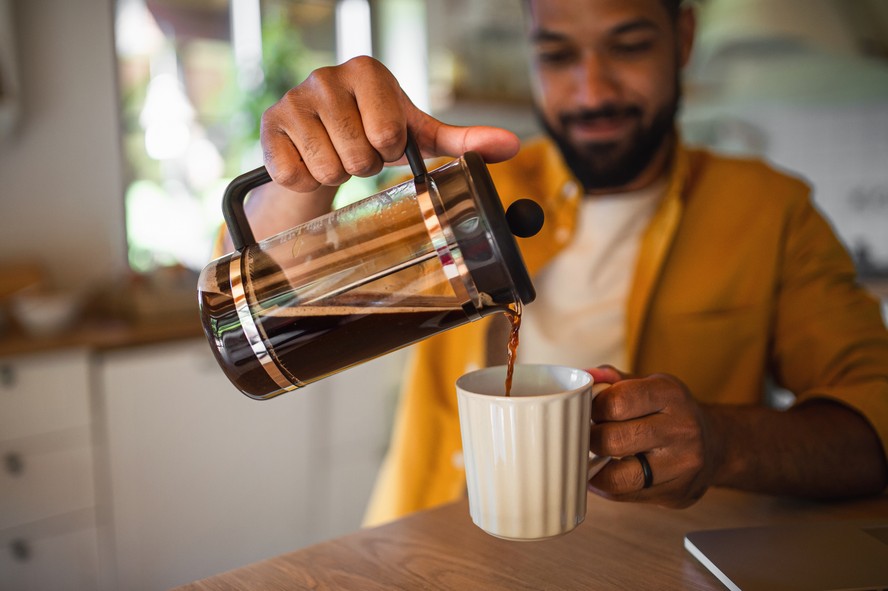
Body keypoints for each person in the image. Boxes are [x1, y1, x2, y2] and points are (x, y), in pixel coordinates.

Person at [244, 0, 888, 525]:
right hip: (419, 552)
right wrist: (302, 177)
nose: (593, 89)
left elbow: (875, 422)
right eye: (556, 55)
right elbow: (277, 305)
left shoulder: (771, 212)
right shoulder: (466, 193)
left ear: (682, 38)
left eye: (629, 45)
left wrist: (723, 441)